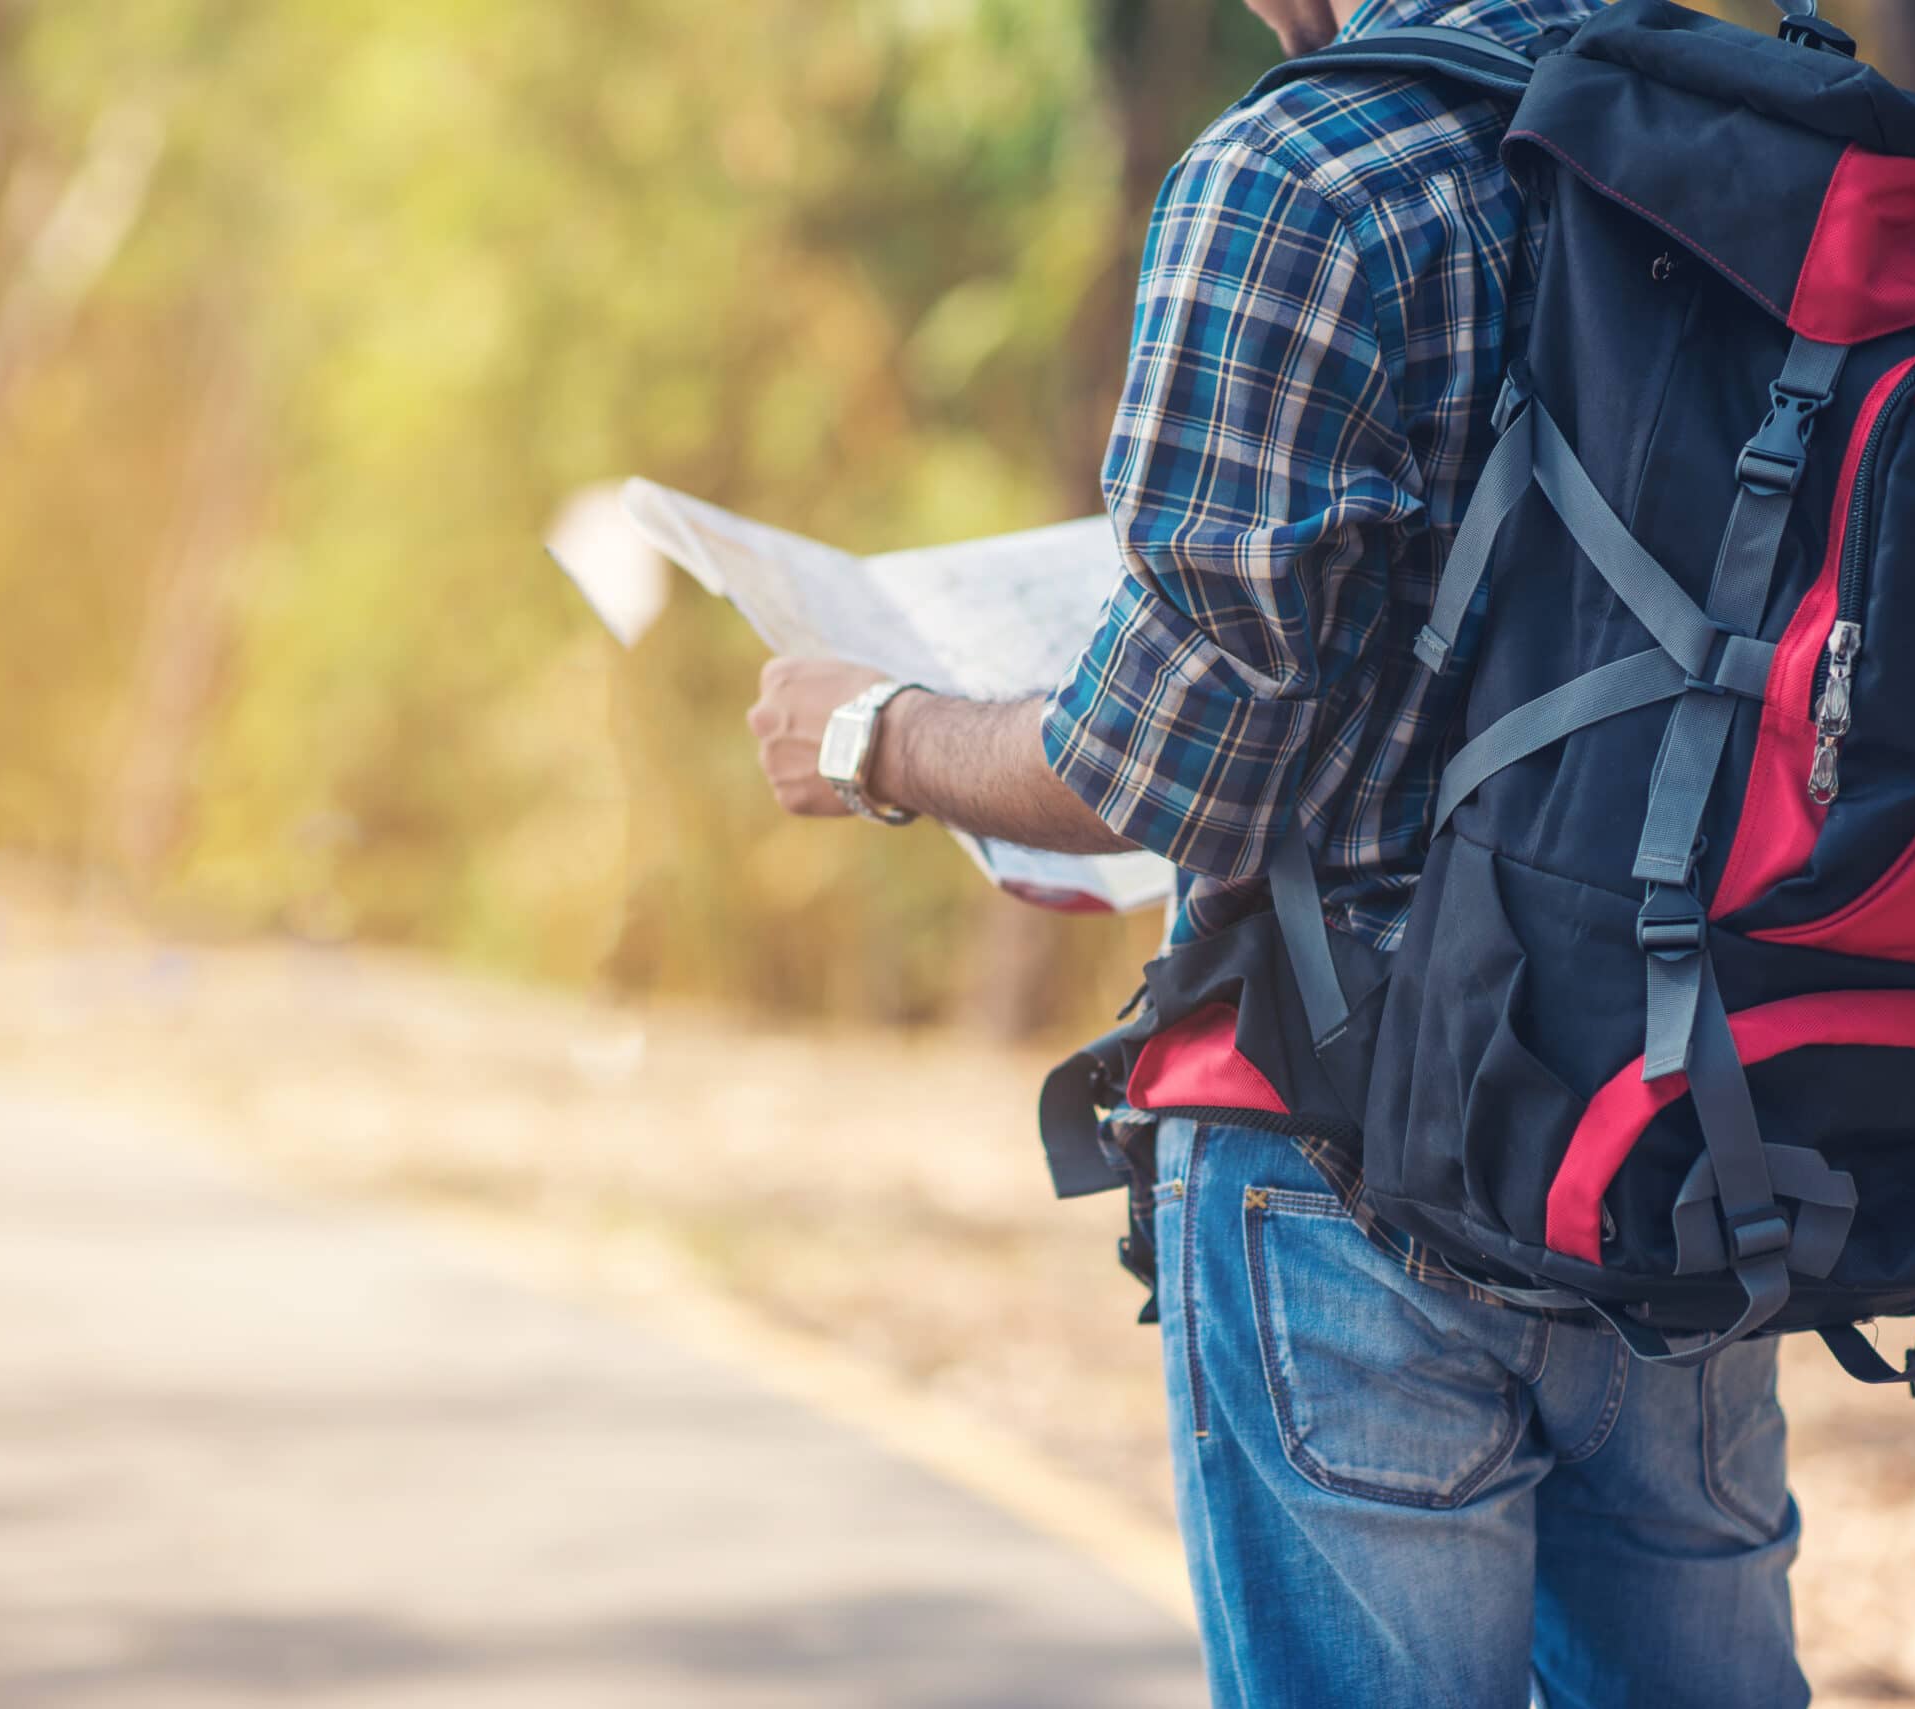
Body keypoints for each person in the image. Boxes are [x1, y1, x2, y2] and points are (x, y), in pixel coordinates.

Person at [745, 0, 1811, 1704]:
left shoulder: (1300, 175)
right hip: (1691, 1138)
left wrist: (883, 734)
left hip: (1345, 1158)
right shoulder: (1756, 153)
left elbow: (1173, 768)